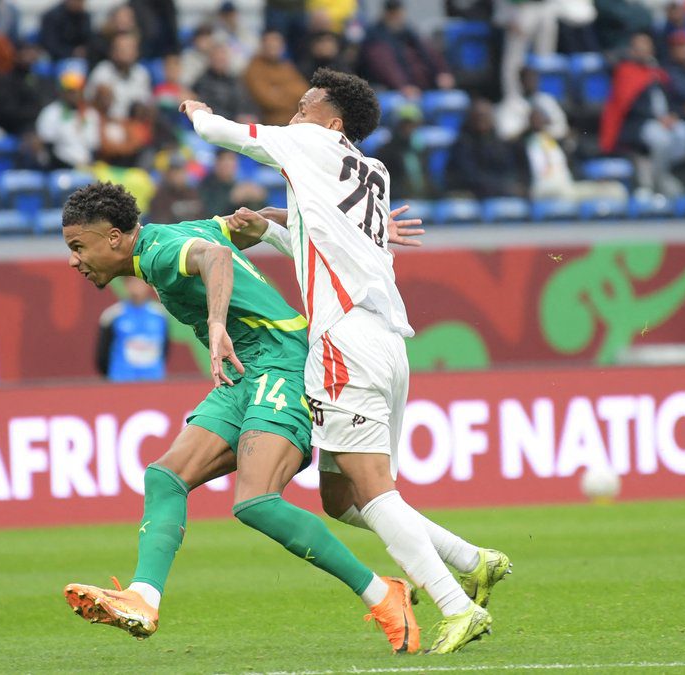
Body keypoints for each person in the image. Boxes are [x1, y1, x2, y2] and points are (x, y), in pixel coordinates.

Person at [181, 68, 509, 655]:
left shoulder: (308, 143)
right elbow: (325, 241)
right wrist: (271, 227)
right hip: (386, 343)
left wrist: (195, 110)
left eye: (305, 106)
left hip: (344, 342)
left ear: (332, 123)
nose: (294, 114)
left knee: (375, 492)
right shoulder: (373, 172)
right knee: (341, 498)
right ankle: (472, 560)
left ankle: (457, 607)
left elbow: (220, 134)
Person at [58, 181, 419, 651]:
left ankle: (383, 594)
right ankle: (143, 597)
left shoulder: (160, 253)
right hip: (245, 371)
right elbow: (257, 219)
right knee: (165, 478)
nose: (73, 260)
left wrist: (215, 324)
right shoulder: (175, 234)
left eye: (78, 246)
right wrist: (359, 231)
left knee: (256, 501)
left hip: (283, 362)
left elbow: (217, 257)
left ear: (113, 238)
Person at [599, 32, 685, 197]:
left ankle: (666, 173)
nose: (643, 51)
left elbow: (673, 99)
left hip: (665, 120)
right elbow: (628, 106)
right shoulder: (626, 70)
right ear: (632, 50)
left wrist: (673, 115)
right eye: (639, 48)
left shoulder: (658, 72)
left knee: (684, 132)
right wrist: (657, 119)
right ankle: (658, 181)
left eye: (646, 47)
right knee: (661, 139)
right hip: (640, 123)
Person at [525, 107, 627, 202]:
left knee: (615, 189)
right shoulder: (524, 143)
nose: (538, 121)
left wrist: (593, 181)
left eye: (540, 117)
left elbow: (573, 168)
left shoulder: (555, 142)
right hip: (543, 188)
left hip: (566, 186)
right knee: (565, 193)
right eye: (535, 118)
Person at [359, 0, 454, 98]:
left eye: (398, 13)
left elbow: (430, 53)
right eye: (393, 13)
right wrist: (402, 86)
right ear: (385, 14)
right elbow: (385, 66)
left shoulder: (409, 32)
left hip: (424, 89)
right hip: (393, 91)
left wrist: (442, 72)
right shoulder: (375, 37)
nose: (397, 17)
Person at [448, 97, 529, 199]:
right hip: (473, 191)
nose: (482, 120)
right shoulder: (463, 143)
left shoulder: (499, 143)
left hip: (500, 191)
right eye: (478, 116)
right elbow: (469, 175)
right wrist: (502, 188)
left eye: (485, 116)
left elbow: (509, 168)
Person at [96, 276, 170, 381]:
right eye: (131, 281)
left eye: (140, 281)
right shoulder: (112, 315)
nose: (136, 286)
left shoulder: (160, 315)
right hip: (121, 381)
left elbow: (165, 349)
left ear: (148, 284)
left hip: (153, 381)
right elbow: (102, 355)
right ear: (125, 285)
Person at [243, 30, 309, 127]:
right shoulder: (254, 68)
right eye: (270, 45)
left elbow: (303, 92)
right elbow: (267, 100)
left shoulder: (287, 66)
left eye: (277, 45)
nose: (273, 48)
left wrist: (279, 91)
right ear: (262, 46)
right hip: (269, 122)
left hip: (295, 121)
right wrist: (292, 99)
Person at [36, 71, 99, 169]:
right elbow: (47, 148)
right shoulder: (51, 113)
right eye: (70, 91)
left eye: (77, 91)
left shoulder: (90, 114)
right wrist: (71, 166)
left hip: (86, 167)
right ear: (62, 92)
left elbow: (93, 147)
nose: (74, 95)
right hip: (60, 168)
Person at [374, 104, 434, 200]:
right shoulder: (385, 151)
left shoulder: (422, 149)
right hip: (397, 198)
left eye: (413, 125)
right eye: (405, 125)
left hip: (422, 197)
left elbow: (427, 176)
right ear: (397, 126)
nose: (409, 129)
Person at [86, 32, 151, 120]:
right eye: (121, 48)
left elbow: (145, 103)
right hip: (106, 121)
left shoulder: (141, 74)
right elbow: (90, 102)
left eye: (129, 48)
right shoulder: (102, 71)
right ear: (112, 51)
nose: (125, 52)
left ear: (137, 52)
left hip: (133, 123)